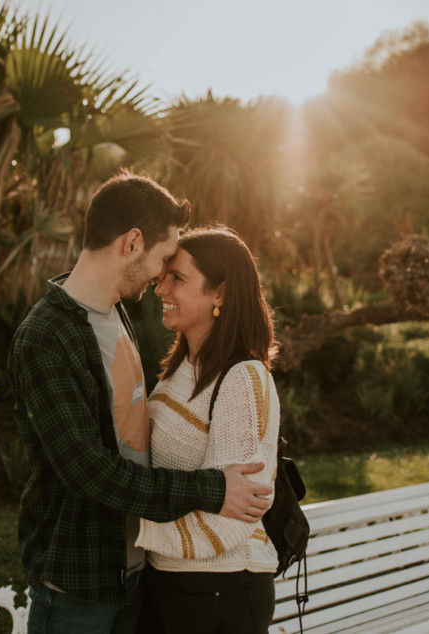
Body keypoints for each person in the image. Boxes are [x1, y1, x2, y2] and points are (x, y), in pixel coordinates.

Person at [8, 171, 273, 634]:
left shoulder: (114, 315)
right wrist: (212, 488)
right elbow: (87, 470)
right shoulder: (46, 336)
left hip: (136, 577)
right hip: (80, 584)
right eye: (164, 258)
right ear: (133, 243)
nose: (160, 280)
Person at [136, 225, 281, 633]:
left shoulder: (242, 380)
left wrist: (135, 529)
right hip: (170, 581)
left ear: (220, 293)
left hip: (222, 591)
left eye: (177, 278)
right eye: (164, 275)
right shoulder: (180, 369)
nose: (160, 288)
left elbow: (229, 521)